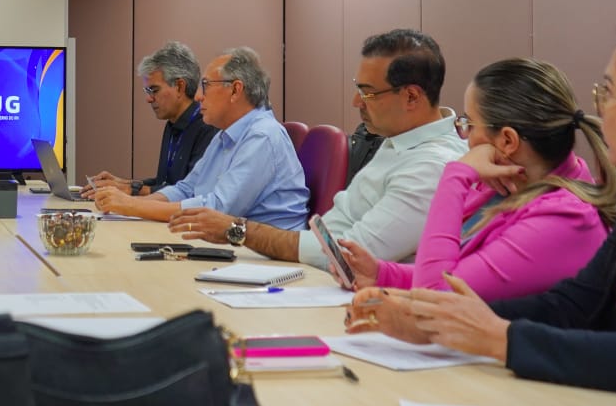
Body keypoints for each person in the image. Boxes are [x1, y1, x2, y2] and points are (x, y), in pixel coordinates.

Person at [348, 17, 616, 406]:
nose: (598, 107)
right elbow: (571, 305)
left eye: (607, 92)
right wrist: (448, 326)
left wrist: (498, 338)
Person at [170, 29, 464, 267]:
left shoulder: (434, 166)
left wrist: (239, 231)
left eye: (368, 92)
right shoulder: (397, 141)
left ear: (411, 97)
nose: (356, 102)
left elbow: (346, 255)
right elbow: (328, 233)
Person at [336, 57, 616, 301]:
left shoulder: (563, 219)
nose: (465, 137)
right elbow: (463, 273)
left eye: (469, 125)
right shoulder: (510, 187)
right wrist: (382, 273)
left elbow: (436, 297)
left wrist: (455, 176)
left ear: (508, 141)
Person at [92, 47, 308, 228]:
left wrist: (132, 206)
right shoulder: (224, 135)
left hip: (269, 258)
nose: (198, 96)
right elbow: (186, 189)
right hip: (234, 243)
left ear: (235, 90)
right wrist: (128, 204)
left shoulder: (262, 136)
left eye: (206, 85)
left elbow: (218, 209)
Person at [86, 40, 218, 198]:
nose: (149, 99)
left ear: (180, 87)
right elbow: (165, 183)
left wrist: (131, 190)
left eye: (154, 90)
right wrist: (124, 184)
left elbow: (190, 193)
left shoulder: (207, 128)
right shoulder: (172, 124)